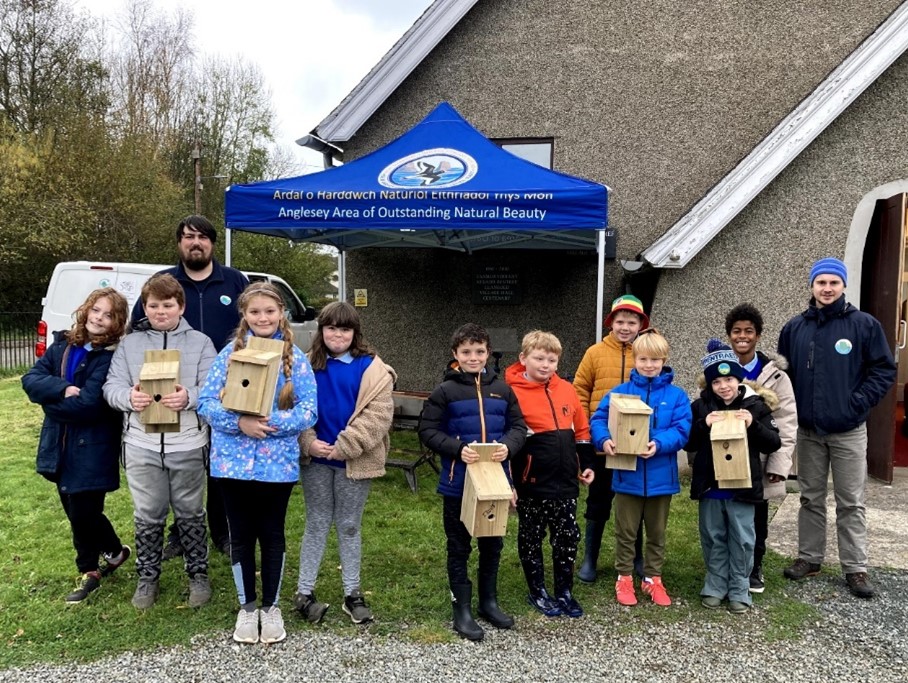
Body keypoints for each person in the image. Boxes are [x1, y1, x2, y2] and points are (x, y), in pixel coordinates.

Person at [198, 282, 318, 645]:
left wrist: (269, 425)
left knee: (271, 533)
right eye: (254, 312)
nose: (262, 318)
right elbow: (205, 403)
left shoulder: (295, 358)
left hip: (276, 466)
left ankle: (271, 606)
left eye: (269, 311)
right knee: (241, 535)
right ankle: (247, 607)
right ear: (244, 316)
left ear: (281, 313)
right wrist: (240, 423)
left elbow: (309, 409)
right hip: (232, 465)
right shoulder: (228, 356)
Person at [131, 215, 249, 560]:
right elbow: (138, 329)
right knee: (177, 461)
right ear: (179, 243)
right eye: (187, 237)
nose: (194, 243)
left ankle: (223, 531)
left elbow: (253, 326)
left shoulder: (233, 281)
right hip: (172, 391)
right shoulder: (162, 283)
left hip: (226, 388)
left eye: (201, 237)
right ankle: (180, 533)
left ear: (212, 243)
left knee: (219, 463)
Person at [778, 257, 896, 599]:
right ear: (812, 286)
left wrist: (857, 402)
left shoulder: (864, 325)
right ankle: (809, 558)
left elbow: (883, 370)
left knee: (850, 501)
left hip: (848, 430)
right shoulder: (795, 328)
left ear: (843, 286)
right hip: (809, 431)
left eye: (833, 283)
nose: (827, 289)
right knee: (810, 498)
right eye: (821, 283)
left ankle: (855, 568)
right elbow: (783, 375)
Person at [103, 274, 216, 609]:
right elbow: (111, 387)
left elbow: (213, 389)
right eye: (154, 305)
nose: (161, 311)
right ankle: (147, 578)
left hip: (188, 442)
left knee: (191, 511)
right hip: (141, 444)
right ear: (146, 307)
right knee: (148, 514)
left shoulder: (200, 342)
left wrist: (190, 397)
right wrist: (128, 398)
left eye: (168, 305)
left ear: (180, 306)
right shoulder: (130, 344)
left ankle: (198, 575)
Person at [22, 288, 132, 603]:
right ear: (87, 310)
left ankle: (88, 570)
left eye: (108, 314)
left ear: (117, 321)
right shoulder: (62, 345)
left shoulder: (110, 357)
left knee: (85, 511)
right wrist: (62, 388)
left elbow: (89, 404)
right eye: (96, 310)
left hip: (93, 447)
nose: (100, 318)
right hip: (60, 444)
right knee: (74, 509)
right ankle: (114, 551)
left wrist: (49, 403)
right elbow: (30, 380)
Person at [418, 323, 526, 642]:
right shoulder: (444, 392)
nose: (473, 357)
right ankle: (461, 609)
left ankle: (488, 602)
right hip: (458, 483)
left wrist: (509, 444)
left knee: (492, 544)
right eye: (466, 352)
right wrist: (456, 448)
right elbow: (427, 431)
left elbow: (519, 426)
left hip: (495, 482)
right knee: (459, 546)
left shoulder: (503, 389)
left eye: (479, 351)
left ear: (488, 353)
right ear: (455, 355)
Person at [294, 302, 396, 625]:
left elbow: (378, 417)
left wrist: (344, 446)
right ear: (321, 331)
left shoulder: (373, 369)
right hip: (317, 459)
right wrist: (309, 442)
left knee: (349, 525)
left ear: (355, 333)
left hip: (353, 462)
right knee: (317, 521)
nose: (337, 334)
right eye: (331, 328)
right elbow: (294, 407)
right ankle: (304, 591)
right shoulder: (306, 365)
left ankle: (353, 594)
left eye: (345, 329)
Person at [590, 330, 691, 607]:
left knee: (657, 532)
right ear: (635, 359)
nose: (649, 365)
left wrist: (659, 443)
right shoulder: (620, 393)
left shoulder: (677, 396)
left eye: (655, 360)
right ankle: (624, 577)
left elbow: (682, 429)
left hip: (661, 477)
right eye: (644, 359)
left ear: (664, 360)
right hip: (627, 475)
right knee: (626, 531)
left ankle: (653, 578)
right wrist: (605, 439)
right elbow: (599, 418)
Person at [505, 331, 595, 618]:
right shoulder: (511, 391)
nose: (545, 365)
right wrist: (509, 481)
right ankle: (538, 589)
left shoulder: (566, 389)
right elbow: (506, 438)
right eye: (539, 358)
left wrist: (587, 463)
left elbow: (580, 431)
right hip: (531, 480)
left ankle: (564, 590)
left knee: (567, 535)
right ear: (523, 358)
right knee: (531, 536)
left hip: (566, 480)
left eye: (552, 360)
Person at [686, 341, 781, 614]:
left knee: (742, 539)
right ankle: (716, 584)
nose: (723, 386)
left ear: (739, 379)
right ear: (709, 384)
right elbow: (689, 443)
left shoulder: (756, 406)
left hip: (742, 487)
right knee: (713, 536)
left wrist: (754, 425)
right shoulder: (701, 407)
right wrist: (704, 425)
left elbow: (773, 442)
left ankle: (739, 586)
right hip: (710, 487)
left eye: (729, 379)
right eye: (716, 381)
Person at [573, 294, 649, 583]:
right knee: (598, 501)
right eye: (620, 321)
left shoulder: (644, 353)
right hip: (601, 442)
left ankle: (636, 558)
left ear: (640, 325)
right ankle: (590, 558)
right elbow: (580, 388)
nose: (625, 327)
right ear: (611, 323)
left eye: (632, 322)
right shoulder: (595, 353)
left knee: (634, 502)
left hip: (633, 444)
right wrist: (586, 427)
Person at [724, 303, 797, 593]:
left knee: (756, 516)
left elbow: (787, 423)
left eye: (749, 331)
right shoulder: (721, 370)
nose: (743, 336)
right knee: (726, 513)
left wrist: (779, 466)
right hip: (727, 456)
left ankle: (755, 567)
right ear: (730, 336)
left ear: (758, 335)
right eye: (736, 331)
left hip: (761, 459)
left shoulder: (777, 377)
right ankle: (727, 564)